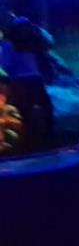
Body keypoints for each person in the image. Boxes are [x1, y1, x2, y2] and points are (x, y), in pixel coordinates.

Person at [1, 15, 57, 149]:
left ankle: (29, 139)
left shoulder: (10, 46)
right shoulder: (33, 44)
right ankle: (42, 137)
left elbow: (5, 65)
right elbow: (48, 45)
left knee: (25, 111)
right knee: (44, 109)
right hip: (34, 80)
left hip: (20, 82)